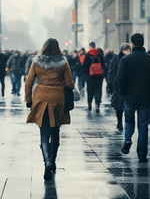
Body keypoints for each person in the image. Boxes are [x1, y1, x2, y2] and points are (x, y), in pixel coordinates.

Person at [25, 38, 73, 181]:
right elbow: (70, 84)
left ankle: (47, 161)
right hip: (57, 99)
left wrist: (29, 101)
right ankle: (53, 160)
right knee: (55, 131)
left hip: (40, 100)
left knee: (44, 133)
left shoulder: (36, 62)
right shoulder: (63, 63)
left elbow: (28, 83)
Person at [117, 33, 150, 162]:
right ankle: (142, 155)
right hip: (146, 98)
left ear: (132, 44)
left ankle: (128, 139)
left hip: (130, 97)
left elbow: (120, 79)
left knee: (129, 121)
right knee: (143, 127)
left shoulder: (125, 60)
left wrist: (124, 93)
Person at [107, 43, 131, 131]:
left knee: (123, 105)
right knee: (119, 106)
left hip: (123, 85)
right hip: (118, 85)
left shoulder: (127, 58)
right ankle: (120, 122)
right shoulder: (117, 58)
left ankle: (122, 122)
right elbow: (111, 70)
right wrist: (110, 82)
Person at [82, 42, 104, 112]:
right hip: (99, 76)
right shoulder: (99, 54)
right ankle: (97, 105)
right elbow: (103, 65)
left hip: (90, 76)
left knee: (90, 91)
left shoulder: (88, 55)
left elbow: (84, 65)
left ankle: (89, 105)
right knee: (98, 91)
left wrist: (86, 73)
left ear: (90, 47)